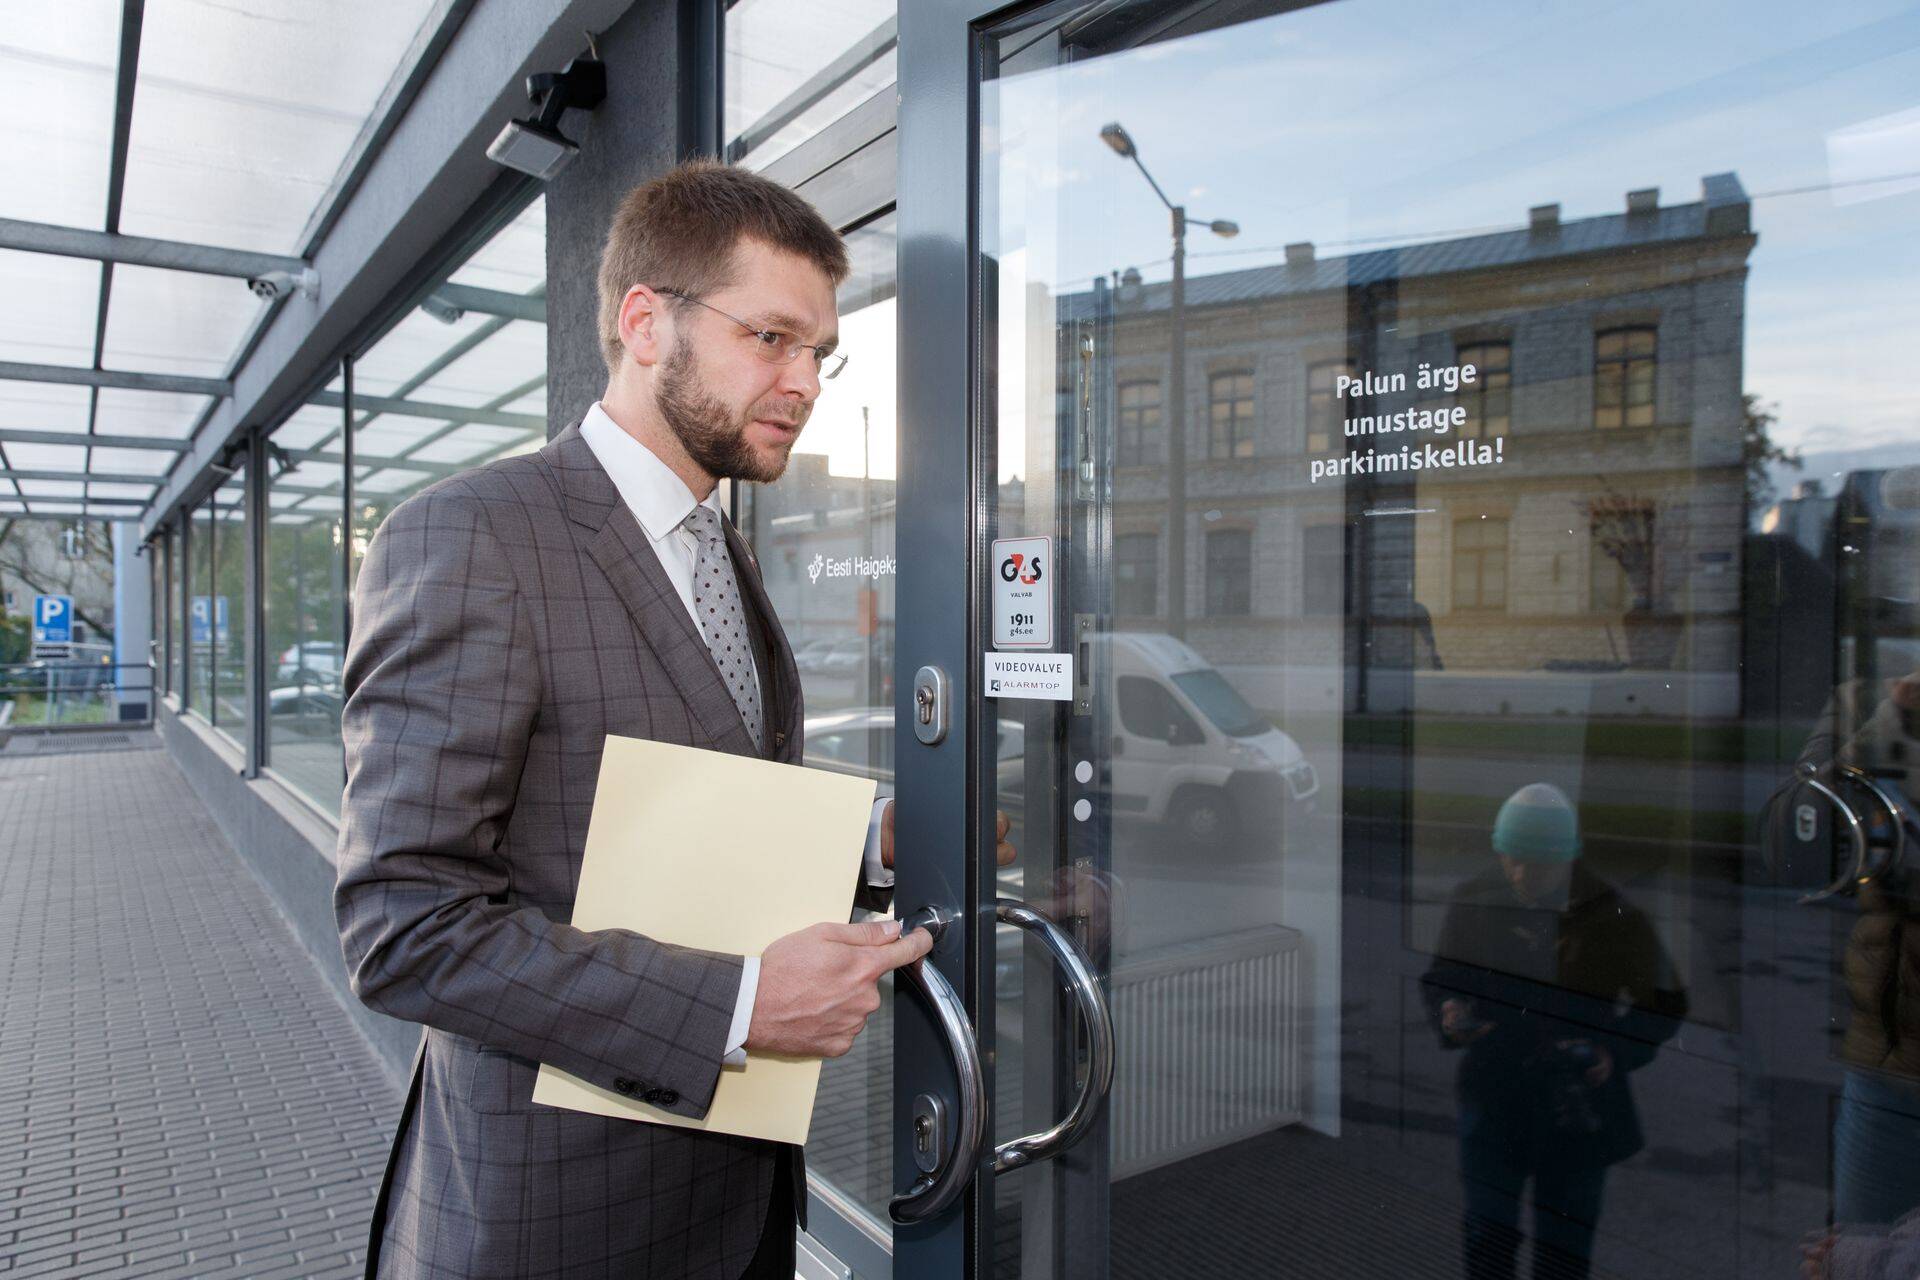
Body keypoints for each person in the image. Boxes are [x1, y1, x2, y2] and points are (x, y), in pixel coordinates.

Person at [334, 160, 980, 1279]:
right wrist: (737, 1002)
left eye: (820, 352)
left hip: (729, 1211)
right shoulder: (471, 537)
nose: (806, 380)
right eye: (770, 338)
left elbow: (675, 810)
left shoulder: (719, 544)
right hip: (552, 1220)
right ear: (646, 323)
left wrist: (857, 845)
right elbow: (404, 924)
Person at [1421, 782, 1688, 1280]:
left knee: (1562, 1256)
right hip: (1494, 1100)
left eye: (1538, 864)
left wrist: (1614, 1051)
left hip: (1575, 1107)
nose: (1521, 874)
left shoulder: (1614, 914)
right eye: (1511, 859)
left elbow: (1668, 1002)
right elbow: (1441, 977)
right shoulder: (1475, 898)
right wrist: (1448, 1010)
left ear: (1568, 858)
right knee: (1487, 1240)